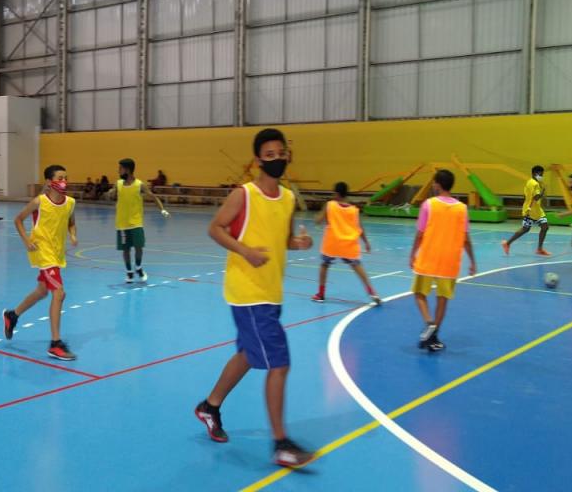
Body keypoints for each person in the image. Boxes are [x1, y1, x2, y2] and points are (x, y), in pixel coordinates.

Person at [194, 128, 315, 468]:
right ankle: (281, 444)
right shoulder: (243, 194)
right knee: (279, 364)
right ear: (258, 160)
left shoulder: (288, 198)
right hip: (247, 292)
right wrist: (244, 250)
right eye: (269, 155)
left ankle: (209, 406)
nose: (277, 159)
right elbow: (215, 228)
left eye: (281, 153)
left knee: (248, 354)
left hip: (271, 290)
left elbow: (283, 239)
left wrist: (299, 244)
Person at [2, 165, 79, 360]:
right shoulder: (40, 202)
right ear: (49, 182)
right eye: (60, 178)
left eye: (66, 177)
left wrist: (73, 235)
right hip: (42, 252)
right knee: (59, 293)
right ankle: (55, 344)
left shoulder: (70, 203)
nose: (64, 181)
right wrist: (26, 241)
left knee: (42, 291)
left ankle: (12, 315)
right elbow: (18, 220)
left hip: (57, 253)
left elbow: (71, 222)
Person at [409, 169, 477, 352]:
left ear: (437, 184)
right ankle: (434, 335)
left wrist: (413, 253)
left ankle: (429, 324)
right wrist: (472, 261)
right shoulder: (462, 208)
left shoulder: (428, 205)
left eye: (433, 182)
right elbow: (466, 239)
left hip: (428, 257)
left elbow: (420, 234)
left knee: (419, 294)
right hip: (450, 260)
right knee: (443, 299)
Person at [312, 182, 381, 306]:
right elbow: (360, 228)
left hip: (332, 244)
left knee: (324, 265)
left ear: (337, 194)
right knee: (357, 267)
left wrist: (319, 216)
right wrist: (366, 242)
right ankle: (372, 293)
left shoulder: (330, 205)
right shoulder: (354, 210)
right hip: (348, 245)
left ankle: (320, 294)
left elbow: (318, 220)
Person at [114, 158, 170, 284]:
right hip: (122, 224)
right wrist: (109, 193)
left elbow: (153, 197)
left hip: (136, 223)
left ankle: (138, 267)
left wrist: (162, 210)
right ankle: (129, 272)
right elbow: (112, 192)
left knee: (139, 247)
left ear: (127, 170)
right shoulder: (118, 184)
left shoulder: (139, 185)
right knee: (126, 250)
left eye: (120, 168)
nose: (118, 171)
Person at [502, 165, 550, 256]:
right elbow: (536, 197)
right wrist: (543, 192)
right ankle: (507, 243)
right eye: (541, 174)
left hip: (536, 210)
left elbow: (525, 196)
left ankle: (539, 249)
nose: (542, 176)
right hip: (531, 210)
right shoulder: (535, 184)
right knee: (526, 229)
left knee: (544, 227)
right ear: (535, 173)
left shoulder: (529, 182)